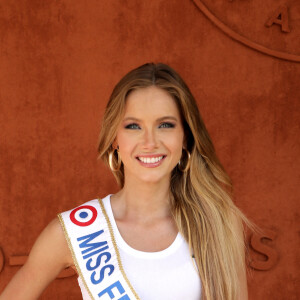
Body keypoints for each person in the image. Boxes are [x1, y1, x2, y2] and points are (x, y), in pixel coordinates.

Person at [0, 63, 251, 300]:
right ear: (114, 140)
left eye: (165, 124)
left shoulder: (216, 221)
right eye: (133, 126)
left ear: (185, 136)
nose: (150, 142)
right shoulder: (74, 232)